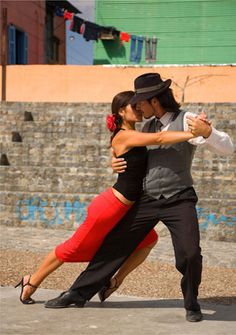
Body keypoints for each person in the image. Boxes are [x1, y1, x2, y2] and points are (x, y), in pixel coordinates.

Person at [44, 73, 234, 322]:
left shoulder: (187, 119)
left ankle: (191, 302)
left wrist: (208, 133)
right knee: (115, 245)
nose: (137, 107)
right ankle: (76, 294)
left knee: (189, 254)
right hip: (148, 197)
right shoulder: (148, 126)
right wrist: (115, 162)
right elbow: (133, 157)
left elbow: (228, 148)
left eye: (140, 102)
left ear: (154, 100)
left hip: (180, 197)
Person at [15, 90, 198, 305]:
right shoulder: (124, 135)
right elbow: (159, 137)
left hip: (130, 207)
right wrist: (196, 133)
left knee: (149, 240)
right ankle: (32, 280)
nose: (139, 108)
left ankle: (114, 281)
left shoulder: (132, 134)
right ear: (121, 111)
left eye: (140, 104)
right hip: (110, 206)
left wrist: (114, 159)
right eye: (134, 105)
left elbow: (140, 154)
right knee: (72, 248)